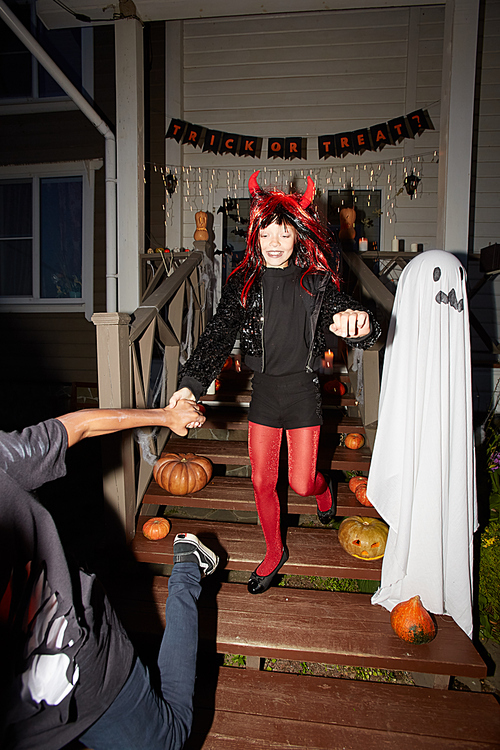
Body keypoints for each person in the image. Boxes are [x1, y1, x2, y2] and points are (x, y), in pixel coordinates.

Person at [169, 170, 381, 595]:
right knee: (263, 482)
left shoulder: (317, 283)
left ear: (298, 237)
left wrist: (360, 324)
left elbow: (354, 316)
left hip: (303, 393)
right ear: (255, 235)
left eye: (285, 233)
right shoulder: (244, 285)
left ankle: (324, 490)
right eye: (267, 232)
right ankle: (273, 550)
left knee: (301, 483)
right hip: (265, 393)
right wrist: (190, 383)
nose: (274, 242)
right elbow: (217, 333)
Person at [0, 401, 219, 750]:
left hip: (81, 666)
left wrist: (166, 416)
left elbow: (77, 427)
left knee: (169, 736)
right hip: (27, 726)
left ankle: (188, 568)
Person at [366, 250, 477, 637]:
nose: (447, 300)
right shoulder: (412, 341)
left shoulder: (452, 350)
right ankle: (420, 573)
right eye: (437, 287)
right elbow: (399, 398)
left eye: (453, 289)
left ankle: (437, 581)